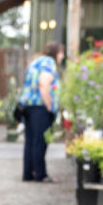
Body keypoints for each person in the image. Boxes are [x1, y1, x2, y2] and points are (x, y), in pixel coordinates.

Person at [20, 42, 65, 183]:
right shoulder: (48, 62)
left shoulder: (36, 61)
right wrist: (50, 106)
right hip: (40, 107)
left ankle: (28, 174)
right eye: (61, 53)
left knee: (31, 141)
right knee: (40, 141)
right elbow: (44, 83)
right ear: (56, 53)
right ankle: (40, 174)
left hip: (27, 106)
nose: (62, 56)